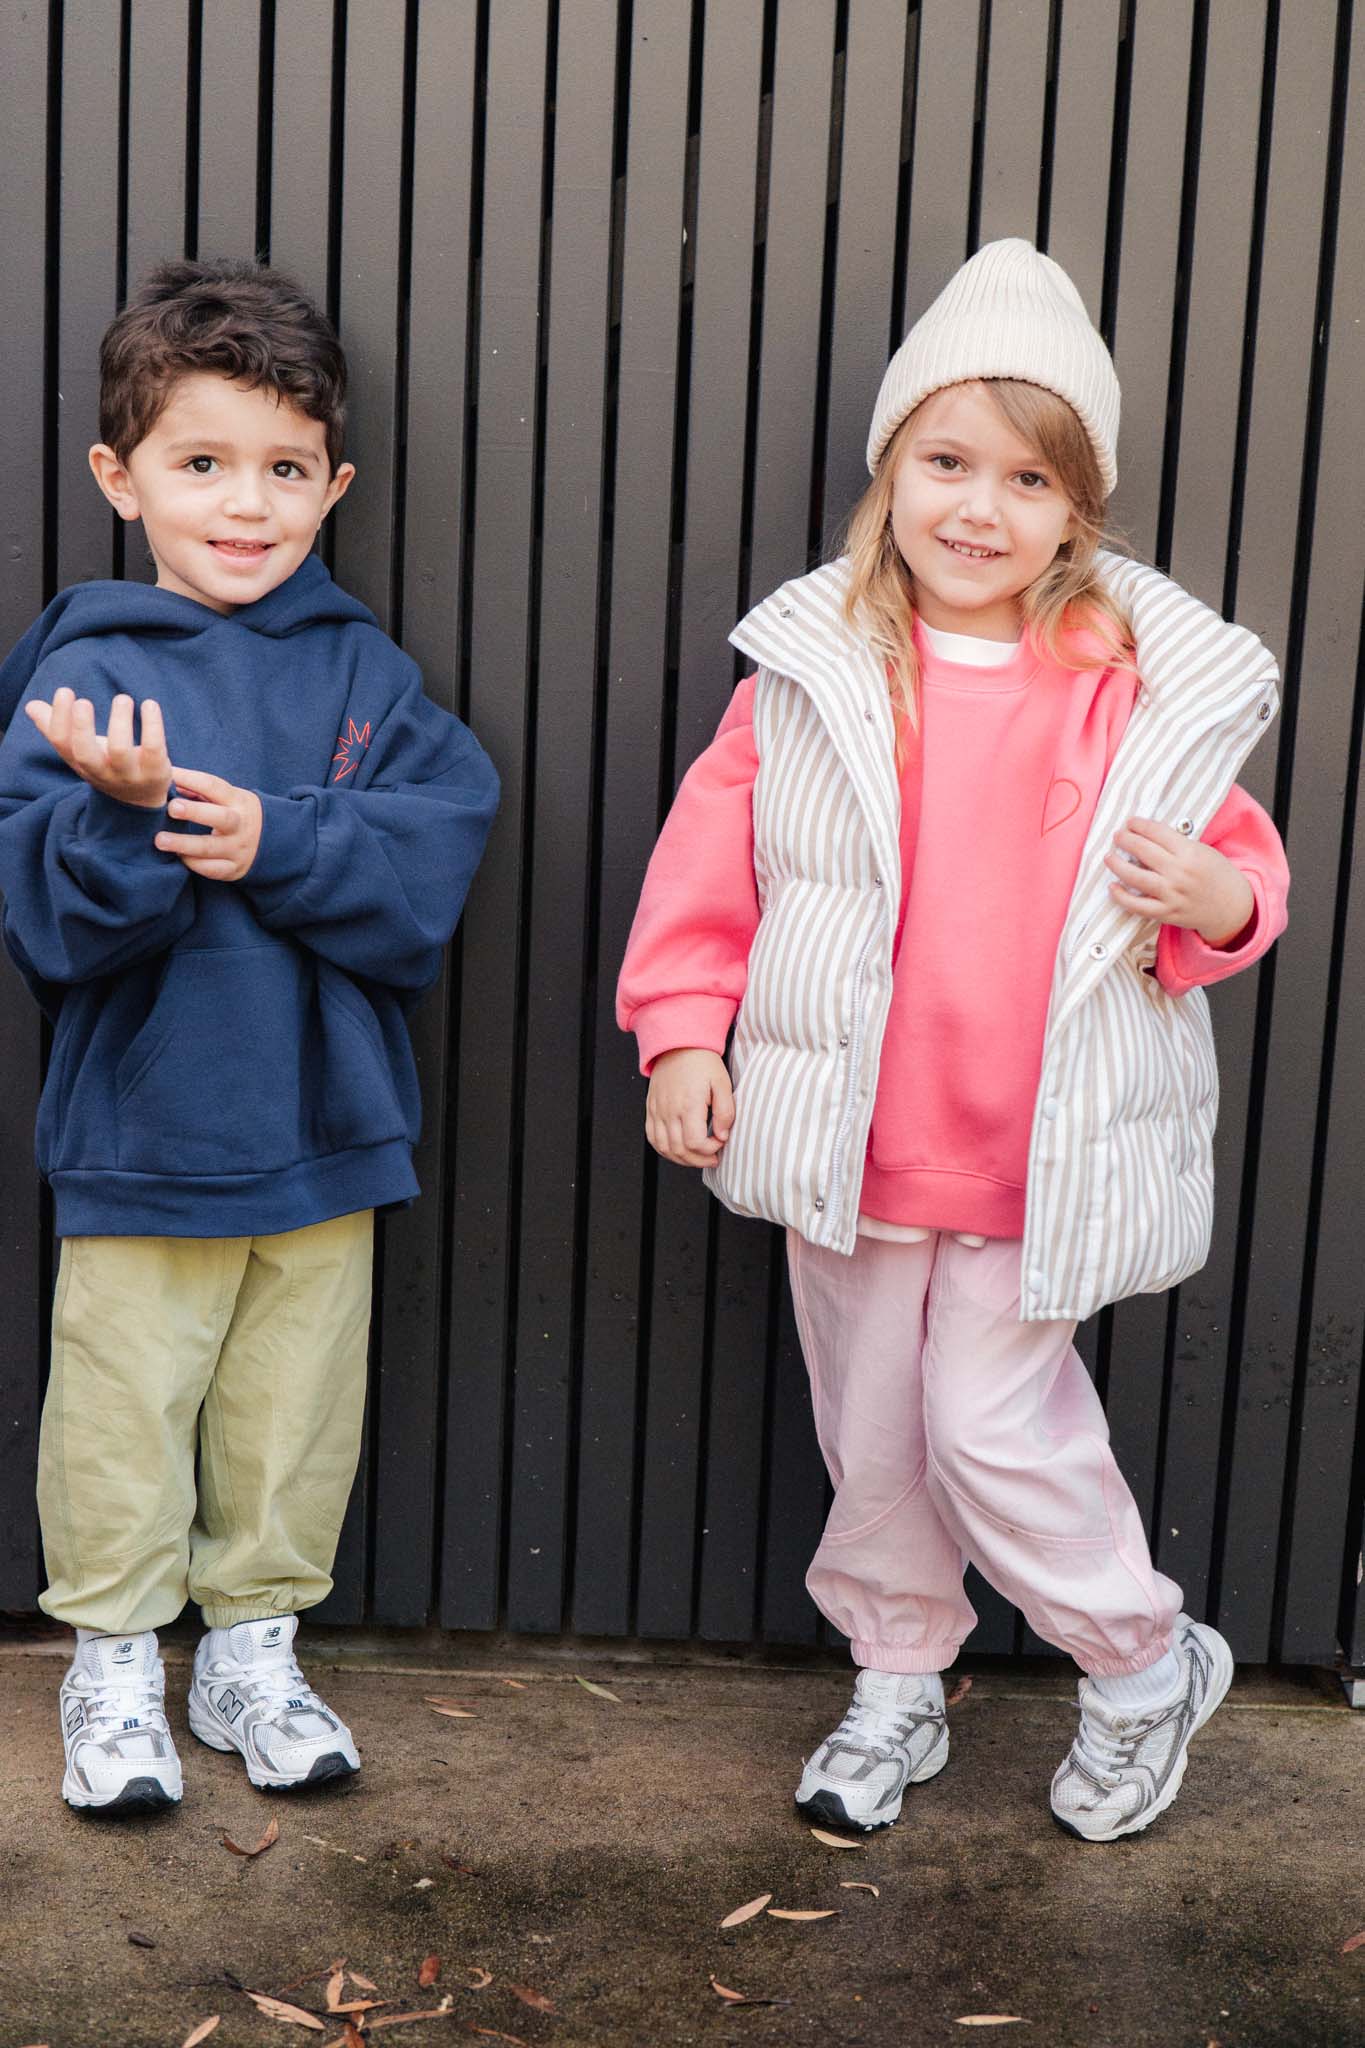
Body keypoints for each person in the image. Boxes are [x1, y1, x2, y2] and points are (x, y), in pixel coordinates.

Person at [616, 239, 1289, 1844]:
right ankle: (899, 1677)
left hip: (1035, 1145)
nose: (979, 507)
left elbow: (1235, 869)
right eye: (945, 460)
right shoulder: (813, 671)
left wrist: (1215, 897)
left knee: (992, 1424)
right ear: (889, 469)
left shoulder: (1125, 681)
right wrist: (682, 1038)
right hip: (852, 1131)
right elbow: (709, 873)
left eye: (1027, 478)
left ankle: (1139, 1661)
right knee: (870, 1433)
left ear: (1077, 510)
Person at [0, 259, 499, 1813]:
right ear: (120, 476)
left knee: (293, 1412)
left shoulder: (365, 671)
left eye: (284, 469)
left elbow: (430, 864)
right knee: (120, 1409)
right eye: (201, 461)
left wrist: (272, 839)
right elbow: (47, 923)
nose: (245, 502)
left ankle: (251, 1651)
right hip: (143, 1140)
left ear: (332, 485)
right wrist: (130, 824)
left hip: (326, 1129)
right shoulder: (83, 671)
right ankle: (115, 1669)